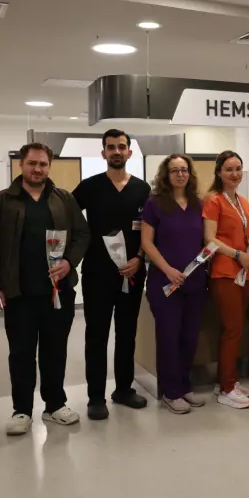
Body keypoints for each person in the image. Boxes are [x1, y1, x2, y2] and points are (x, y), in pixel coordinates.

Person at [0, 143, 90, 435]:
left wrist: (69, 261)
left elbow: (82, 234)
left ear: (49, 166)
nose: (37, 169)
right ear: (21, 164)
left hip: (57, 292)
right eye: (32, 163)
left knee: (55, 351)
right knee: (21, 354)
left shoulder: (63, 198)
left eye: (43, 164)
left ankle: (55, 404)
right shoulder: (3, 201)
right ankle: (21, 410)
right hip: (18, 293)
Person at [72, 129, 151, 420]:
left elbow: (149, 231)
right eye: (111, 147)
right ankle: (96, 396)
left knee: (127, 333)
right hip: (97, 273)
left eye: (121, 146)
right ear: (103, 152)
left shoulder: (143, 189)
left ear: (129, 152)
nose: (116, 151)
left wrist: (139, 258)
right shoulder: (89, 187)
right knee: (97, 335)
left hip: (132, 271)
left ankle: (124, 389)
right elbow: (69, 220)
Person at [141, 154, 207, 414]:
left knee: (189, 337)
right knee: (169, 336)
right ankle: (171, 391)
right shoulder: (155, 203)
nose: (180, 174)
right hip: (165, 282)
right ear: (166, 175)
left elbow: (205, 240)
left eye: (184, 170)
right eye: (174, 170)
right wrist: (167, 270)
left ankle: (184, 385)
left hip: (195, 282)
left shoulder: (198, 204)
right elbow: (146, 243)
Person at [203, 150, 249, 409]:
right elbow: (209, 239)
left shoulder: (243, 202)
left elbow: (248, 233)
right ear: (219, 173)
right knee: (232, 329)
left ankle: (227, 380)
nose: (235, 174)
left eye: (238, 169)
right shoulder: (214, 201)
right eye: (229, 169)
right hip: (225, 271)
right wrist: (236, 254)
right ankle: (226, 388)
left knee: (236, 329)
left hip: (245, 272)